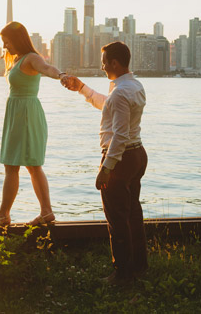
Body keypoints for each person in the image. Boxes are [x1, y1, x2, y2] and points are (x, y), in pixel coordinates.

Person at [61, 41, 148, 284]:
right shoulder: (133, 85)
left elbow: (119, 136)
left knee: (117, 219)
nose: (101, 66)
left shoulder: (120, 91)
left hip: (121, 158)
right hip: (137, 154)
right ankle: (139, 266)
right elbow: (108, 106)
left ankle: (122, 273)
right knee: (132, 214)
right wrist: (82, 88)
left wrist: (105, 169)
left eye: (104, 62)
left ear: (115, 63)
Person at [0, 21, 67, 227]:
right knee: (25, 165)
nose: (5, 47)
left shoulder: (32, 58)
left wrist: (61, 75)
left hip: (26, 114)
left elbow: (47, 68)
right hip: (17, 113)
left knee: (21, 165)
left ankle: (4, 214)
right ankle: (44, 212)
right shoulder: (17, 59)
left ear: (17, 40)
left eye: (7, 42)